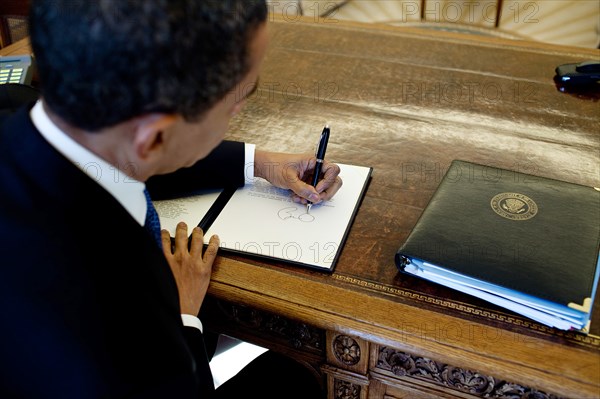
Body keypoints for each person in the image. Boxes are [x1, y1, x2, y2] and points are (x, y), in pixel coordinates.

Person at [0, 0, 342, 398]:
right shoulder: (120, 358)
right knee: (298, 379)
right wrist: (181, 316)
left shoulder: (18, 104)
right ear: (156, 137)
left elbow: (127, 148)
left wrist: (258, 163)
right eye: (241, 98)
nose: (240, 108)